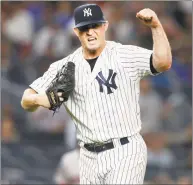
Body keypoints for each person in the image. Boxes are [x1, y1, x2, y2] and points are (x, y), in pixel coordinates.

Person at [21, 3, 172, 184]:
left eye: (95, 26)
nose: (90, 32)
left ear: (105, 26)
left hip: (124, 150)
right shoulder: (64, 66)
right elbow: (26, 100)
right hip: (87, 156)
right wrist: (40, 99)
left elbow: (162, 62)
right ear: (77, 32)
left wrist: (156, 27)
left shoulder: (124, 55)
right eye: (85, 28)